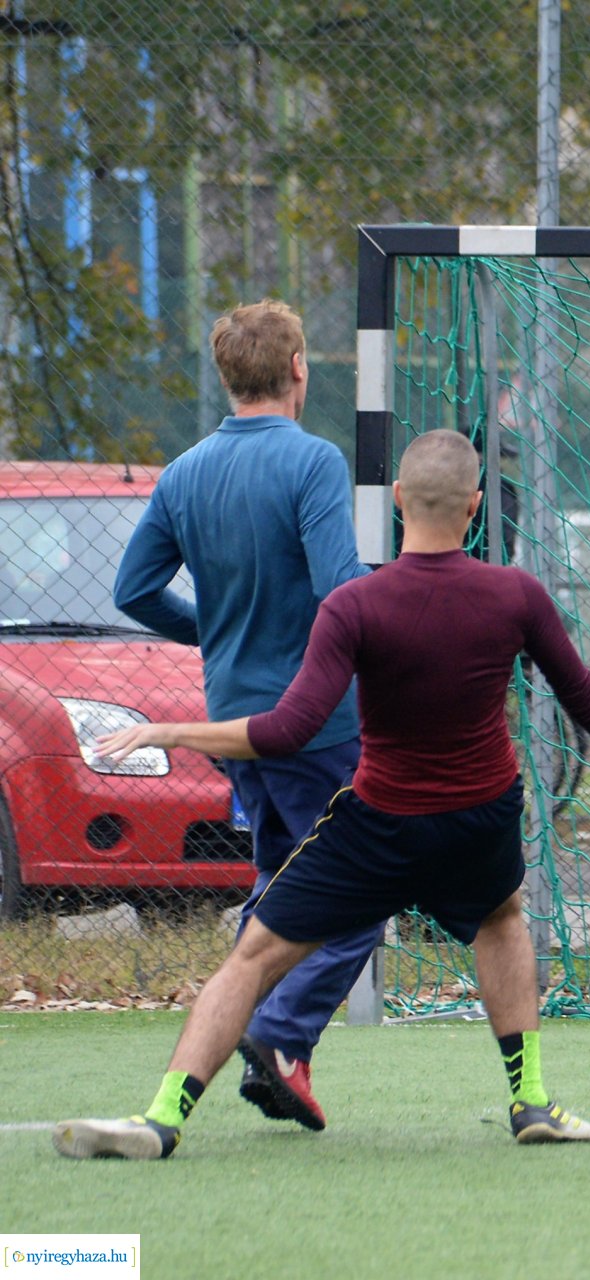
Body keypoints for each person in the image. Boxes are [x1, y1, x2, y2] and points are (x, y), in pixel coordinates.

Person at [56, 430, 590, 1160]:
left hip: (377, 827)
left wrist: (175, 732)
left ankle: (163, 1120)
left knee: (253, 956)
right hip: (480, 822)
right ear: (476, 507)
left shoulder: (355, 605)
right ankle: (530, 1101)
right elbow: (584, 694)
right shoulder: (517, 595)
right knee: (502, 919)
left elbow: (289, 729)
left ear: (394, 503)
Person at [113, 299, 376, 1132]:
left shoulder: (184, 471)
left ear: (228, 376)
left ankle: (241, 1059)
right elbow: (341, 593)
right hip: (316, 719)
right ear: (300, 367)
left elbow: (132, 590)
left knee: (274, 893)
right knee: (358, 895)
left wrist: (215, 632)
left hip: (233, 719)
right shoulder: (313, 463)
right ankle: (279, 1036)